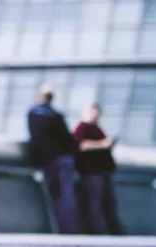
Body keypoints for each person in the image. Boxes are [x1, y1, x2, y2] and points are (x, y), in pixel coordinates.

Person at [27, 85, 79, 234]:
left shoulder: (33, 114)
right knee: (65, 197)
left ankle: (57, 228)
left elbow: (35, 138)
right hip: (61, 159)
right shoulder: (55, 115)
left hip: (46, 160)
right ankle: (67, 229)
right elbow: (67, 139)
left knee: (53, 195)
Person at [72, 103, 122, 235]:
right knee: (94, 204)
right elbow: (81, 145)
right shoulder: (82, 127)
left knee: (107, 203)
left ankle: (109, 230)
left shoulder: (97, 128)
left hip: (102, 171)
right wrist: (103, 144)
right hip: (91, 172)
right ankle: (99, 231)